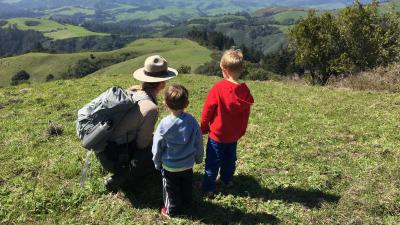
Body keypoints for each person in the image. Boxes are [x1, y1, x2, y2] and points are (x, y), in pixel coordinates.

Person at [95, 55, 178, 192]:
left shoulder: (132, 90)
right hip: (115, 156)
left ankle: (125, 171)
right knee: (160, 148)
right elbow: (142, 144)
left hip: (102, 147)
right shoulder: (151, 108)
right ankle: (123, 177)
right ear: (162, 83)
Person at [201, 49, 254, 197]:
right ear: (241, 69)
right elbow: (245, 115)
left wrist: (204, 127)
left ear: (224, 70)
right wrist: (241, 131)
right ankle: (227, 180)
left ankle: (208, 188)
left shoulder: (218, 88)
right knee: (229, 160)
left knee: (212, 162)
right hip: (233, 136)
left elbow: (208, 110)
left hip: (217, 135)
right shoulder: (245, 92)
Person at [152, 85, 204, 218]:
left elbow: (157, 146)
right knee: (186, 185)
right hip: (187, 164)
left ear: (165, 104)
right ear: (186, 103)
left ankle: (171, 210)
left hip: (169, 167)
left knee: (169, 189)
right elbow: (198, 141)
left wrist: (157, 162)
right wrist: (198, 158)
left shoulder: (163, 124)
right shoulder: (192, 121)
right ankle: (187, 204)